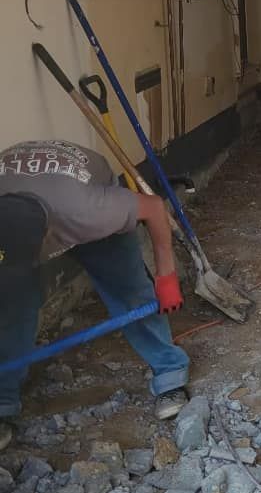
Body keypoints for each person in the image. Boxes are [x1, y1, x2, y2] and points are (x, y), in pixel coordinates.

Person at [0, 139, 190, 449]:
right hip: (30, 191)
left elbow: (154, 208)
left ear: (51, 239)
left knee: (129, 290)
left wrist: (165, 275)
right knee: (13, 304)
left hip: (81, 186)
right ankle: (3, 401)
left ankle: (170, 373)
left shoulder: (92, 212)